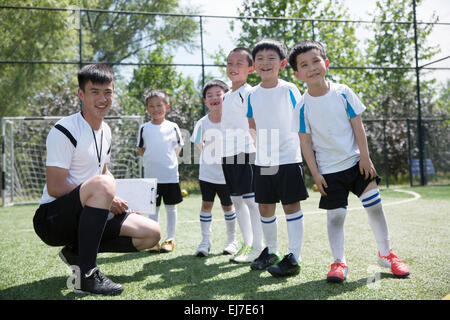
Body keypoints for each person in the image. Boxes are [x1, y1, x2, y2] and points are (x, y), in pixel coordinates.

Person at [32, 64, 161, 296]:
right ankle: (87, 276)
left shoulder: (106, 130)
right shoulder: (64, 130)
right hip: (53, 219)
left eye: (107, 92)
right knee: (103, 185)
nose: (102, 98)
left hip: (90, 211)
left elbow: (104, 171)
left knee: (152, 233)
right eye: (95, 92)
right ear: (81, 94)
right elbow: (55, 186)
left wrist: (116, 198)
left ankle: (76, 252)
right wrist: (105, 195)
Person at [289, 39, 410, 282]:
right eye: (304, 64)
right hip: (329, 172)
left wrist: (365, 158)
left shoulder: (343, 92)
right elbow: (305, 144)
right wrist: (316, 174)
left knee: (375, 207)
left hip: (357, 164)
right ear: (297, 74)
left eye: (316, 61)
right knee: (335, 217)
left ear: (327, 64)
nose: (312, 67)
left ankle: (386, 255)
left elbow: (358, 127)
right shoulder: (301, 107)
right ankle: (339, 262)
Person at [246, 39, 308, 277]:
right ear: (254, 65)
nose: (265, 63)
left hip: (289, 158)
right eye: (259, 59)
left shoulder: (289, 89)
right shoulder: (252, 94)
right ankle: (271, 250)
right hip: (264, 160)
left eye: (271, 58)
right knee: (265, 206)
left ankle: (294, 256)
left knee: (291, 206)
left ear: (282, 63)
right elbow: (252, 123)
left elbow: (301, 119)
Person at [221, 47, 265, 264]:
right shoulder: (227, 95)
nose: (233, 67)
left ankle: (258, 246)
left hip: (247, 152)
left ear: (251, 68)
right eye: (230, 63)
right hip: (228, 154)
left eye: (239, 63)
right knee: (237, 200)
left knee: (251, 201)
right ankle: (248, 244)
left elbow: (255, 123)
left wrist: (257, 150)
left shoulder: (250, 92)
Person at [191, 79, 237, 257]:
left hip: (227, 174)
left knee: (228, 206)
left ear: (227, 97)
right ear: (205, 101)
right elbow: (196, 141)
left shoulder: (232, 120)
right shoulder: (202, 122)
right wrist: (208, 153)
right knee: (206, 205)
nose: (214, 98)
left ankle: (231, 241)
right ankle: (205, 242)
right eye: (209, 95)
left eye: (218, 94)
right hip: (207, 174)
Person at [137, 89, 184, 253]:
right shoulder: (144, 128)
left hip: (170, 176)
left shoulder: (173, 127)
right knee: (153, 210)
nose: (156, 109)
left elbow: (178, 147)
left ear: (167, 106)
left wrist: (168, 163)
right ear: (147, 109)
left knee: (171, 208)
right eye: (151, 106)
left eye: (159, 105)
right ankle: (153, 241)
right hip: (151, 178)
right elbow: (141, 149)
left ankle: (170, 239)